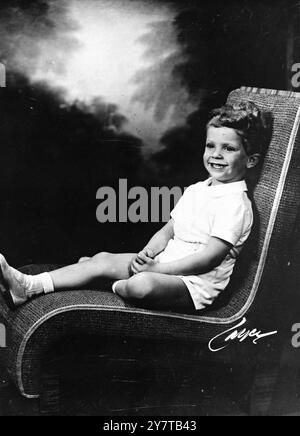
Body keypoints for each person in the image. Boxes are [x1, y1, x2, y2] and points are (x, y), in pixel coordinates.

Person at [0, 101, 270, 314]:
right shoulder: (199, 189)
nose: (216, 155)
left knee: (142, 284)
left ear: (250, 160)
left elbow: (208, 259)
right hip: (164, 264)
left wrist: (155, 271)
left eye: (229, 149)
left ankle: (106, 282)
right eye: (211, 145)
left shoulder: (235, 204)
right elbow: (169, 230)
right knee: (103, 258)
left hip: (194, 284)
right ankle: (29, 286)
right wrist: (148, 253)